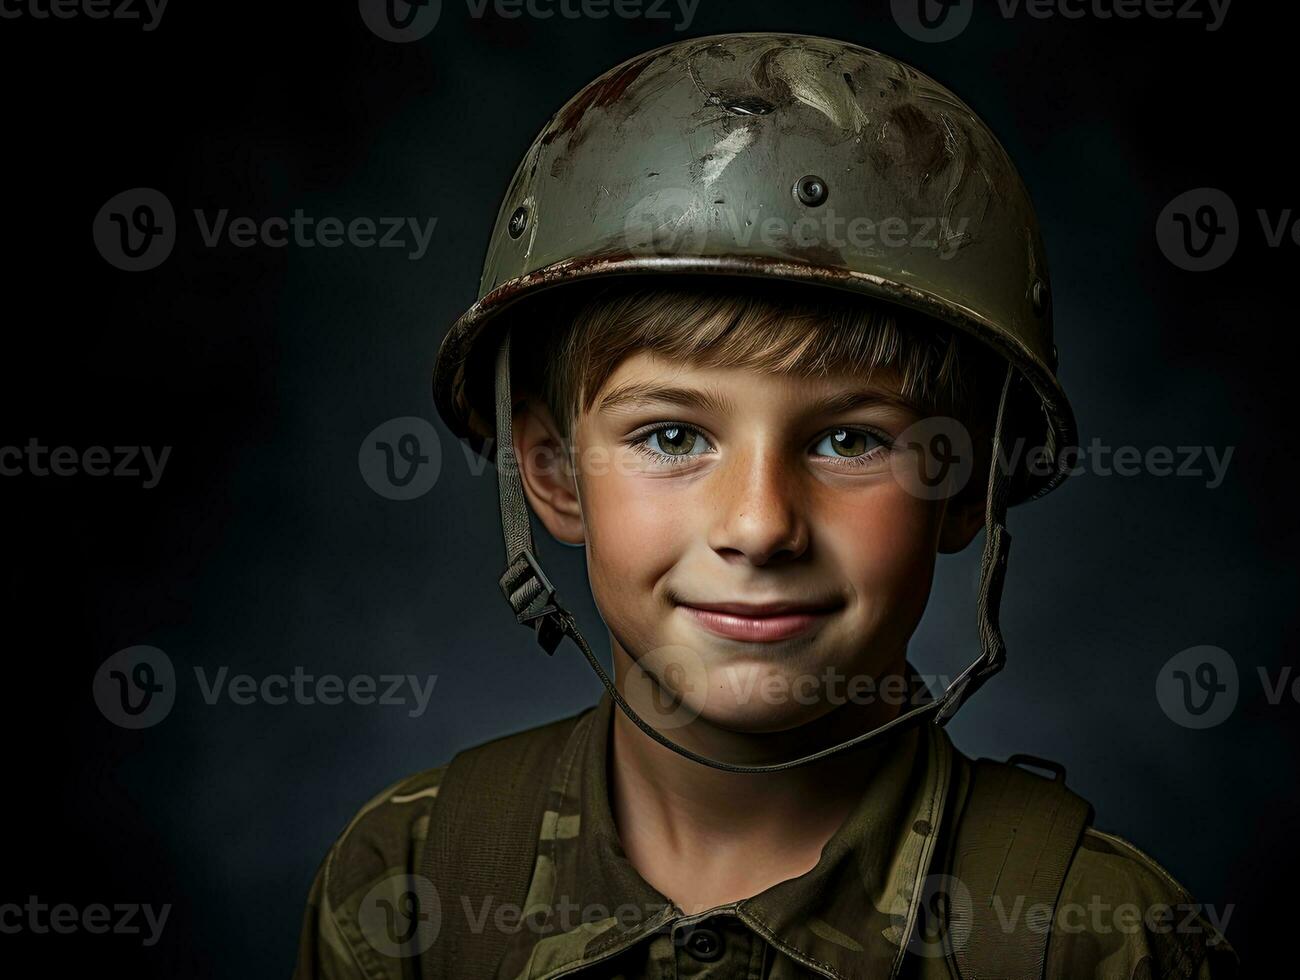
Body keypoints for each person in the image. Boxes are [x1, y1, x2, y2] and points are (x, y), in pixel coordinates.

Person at [293, 32, 1240, 979]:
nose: (758, 526)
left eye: (851, 440)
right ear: (550, 472)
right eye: (672, 436)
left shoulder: (1088, 938)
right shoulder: (412, 882)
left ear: (969, 490)